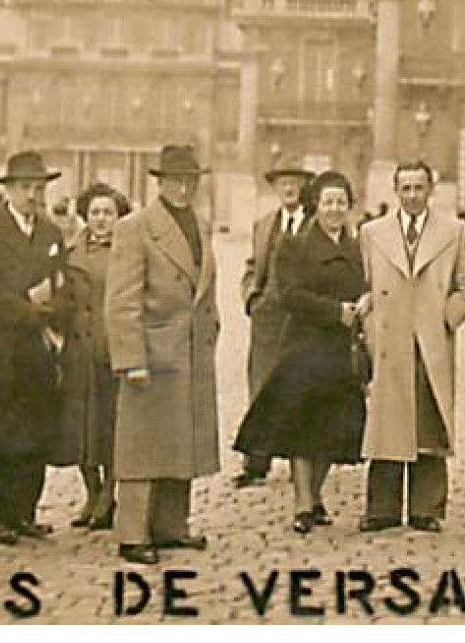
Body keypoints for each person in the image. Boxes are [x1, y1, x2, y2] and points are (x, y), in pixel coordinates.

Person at [234, 170, 368, 534]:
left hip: (341, 349)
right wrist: (335, 312)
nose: (334, 209)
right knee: (303, 427)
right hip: (305, 346)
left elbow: (366, 286)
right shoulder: (294, 245)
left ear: (349, 206)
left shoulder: (357, 248)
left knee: (332, 428)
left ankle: (316, 496)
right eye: (328, 202)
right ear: (316, 205)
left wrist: (364, 302)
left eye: (341, 202)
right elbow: (290, 295)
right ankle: (303, 503)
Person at [106, 144, 221, 564]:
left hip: (191, 351)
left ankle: (172, 526)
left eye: (191, 180)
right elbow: (121, 300)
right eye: (175, 179)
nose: (184, 187)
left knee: (181, 441)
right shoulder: (135, 227)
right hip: (152, 354)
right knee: (141, 447)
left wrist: (213, 328)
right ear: (160, 182)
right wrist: (131, 357)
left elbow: (206, 284)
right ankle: (133, 534)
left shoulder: (201, 224)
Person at [356, 160, 465, 533]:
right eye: (405, 188)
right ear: (395, 191)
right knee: (386, 424)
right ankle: (382, 508)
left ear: (431, 190)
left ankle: (427, 508)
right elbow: (362, 280)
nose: (412, 196)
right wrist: (367, 310)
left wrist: (445, 317)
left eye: (419, 188)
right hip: (388, 339)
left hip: (431, 342)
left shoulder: (456, 232)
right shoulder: (371, 232)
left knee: (429, 421)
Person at [0, 150, 65, 544]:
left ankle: (24, 512)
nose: (33, 195)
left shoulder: (50, 233)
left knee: (35, 431)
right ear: (9, 190)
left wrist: (54, 308)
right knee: (0, 432)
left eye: (39, 188)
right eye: (26, 187)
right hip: (3, 345)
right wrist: (28, 307)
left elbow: (62, 283)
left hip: (39, 348)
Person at [55, 183, 131, 531]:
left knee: (112, 424)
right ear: (85, 216)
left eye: (108, 213)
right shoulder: (69, 253)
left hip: (112, 350)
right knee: (81, 425)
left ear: (119, 217)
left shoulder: (129, 253)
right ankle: (92, 491)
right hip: (79, 351)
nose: (101, 220)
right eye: (95, 213)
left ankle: (109, 495)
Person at [236, 163, 314, 487]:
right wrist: (252, 299)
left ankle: (304, 465)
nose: (289, 189)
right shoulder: (264, 224)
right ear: (276, 188)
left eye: (295, 183)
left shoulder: (316, 224)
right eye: (283, 183)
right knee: (261, 385)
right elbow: (253, 266)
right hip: (268, 318)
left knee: (303, 386)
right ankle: (256, 460)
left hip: (304, 317)